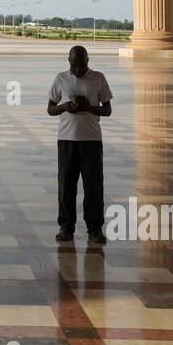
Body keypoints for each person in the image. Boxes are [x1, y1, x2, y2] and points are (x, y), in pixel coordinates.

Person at [47, 45, 113, 243]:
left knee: (93, 186)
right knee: (66, 185)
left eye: (81, 65)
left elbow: (108, 110)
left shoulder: (98, 78)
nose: (77, 69)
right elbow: (50, 109)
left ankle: (95, 229)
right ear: (68, 61)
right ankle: (66, 227)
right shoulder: (61, 78)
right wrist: (66, 106)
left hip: (92, 140)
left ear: (88, 60)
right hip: (66, 139)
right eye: (73, 65)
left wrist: (90, 108)